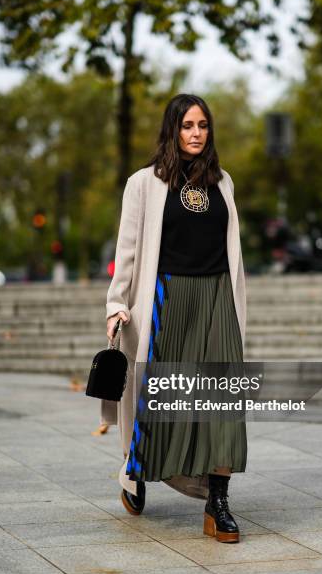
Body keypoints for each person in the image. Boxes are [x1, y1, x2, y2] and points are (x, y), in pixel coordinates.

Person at [105, 93, 247, 543]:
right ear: (173, 130)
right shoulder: (143, 184)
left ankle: (217, 503)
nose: (196, 134)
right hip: (166, 298)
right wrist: (116, 302)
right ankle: (138, 469)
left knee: (223, 402)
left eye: (203, 125)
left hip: (216, 299)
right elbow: (126, 252)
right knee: (158, 400)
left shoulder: (222, 182)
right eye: (187, 126)